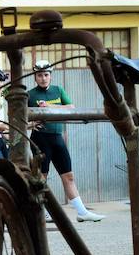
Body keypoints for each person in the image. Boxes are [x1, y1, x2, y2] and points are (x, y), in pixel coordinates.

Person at [27, 60, 104, 222]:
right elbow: (22, 117)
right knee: (42, 177)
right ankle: (41, 211)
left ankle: (82, 212)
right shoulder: (30, 94)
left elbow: (71, 108)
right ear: (35, 77)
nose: (43, 78)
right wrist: (31, 123)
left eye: (46, 75)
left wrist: (48, 106)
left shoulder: (58, 90)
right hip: (40, 139)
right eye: (39, 75)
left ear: (51, 76)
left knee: (68, 176)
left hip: (57, 138)